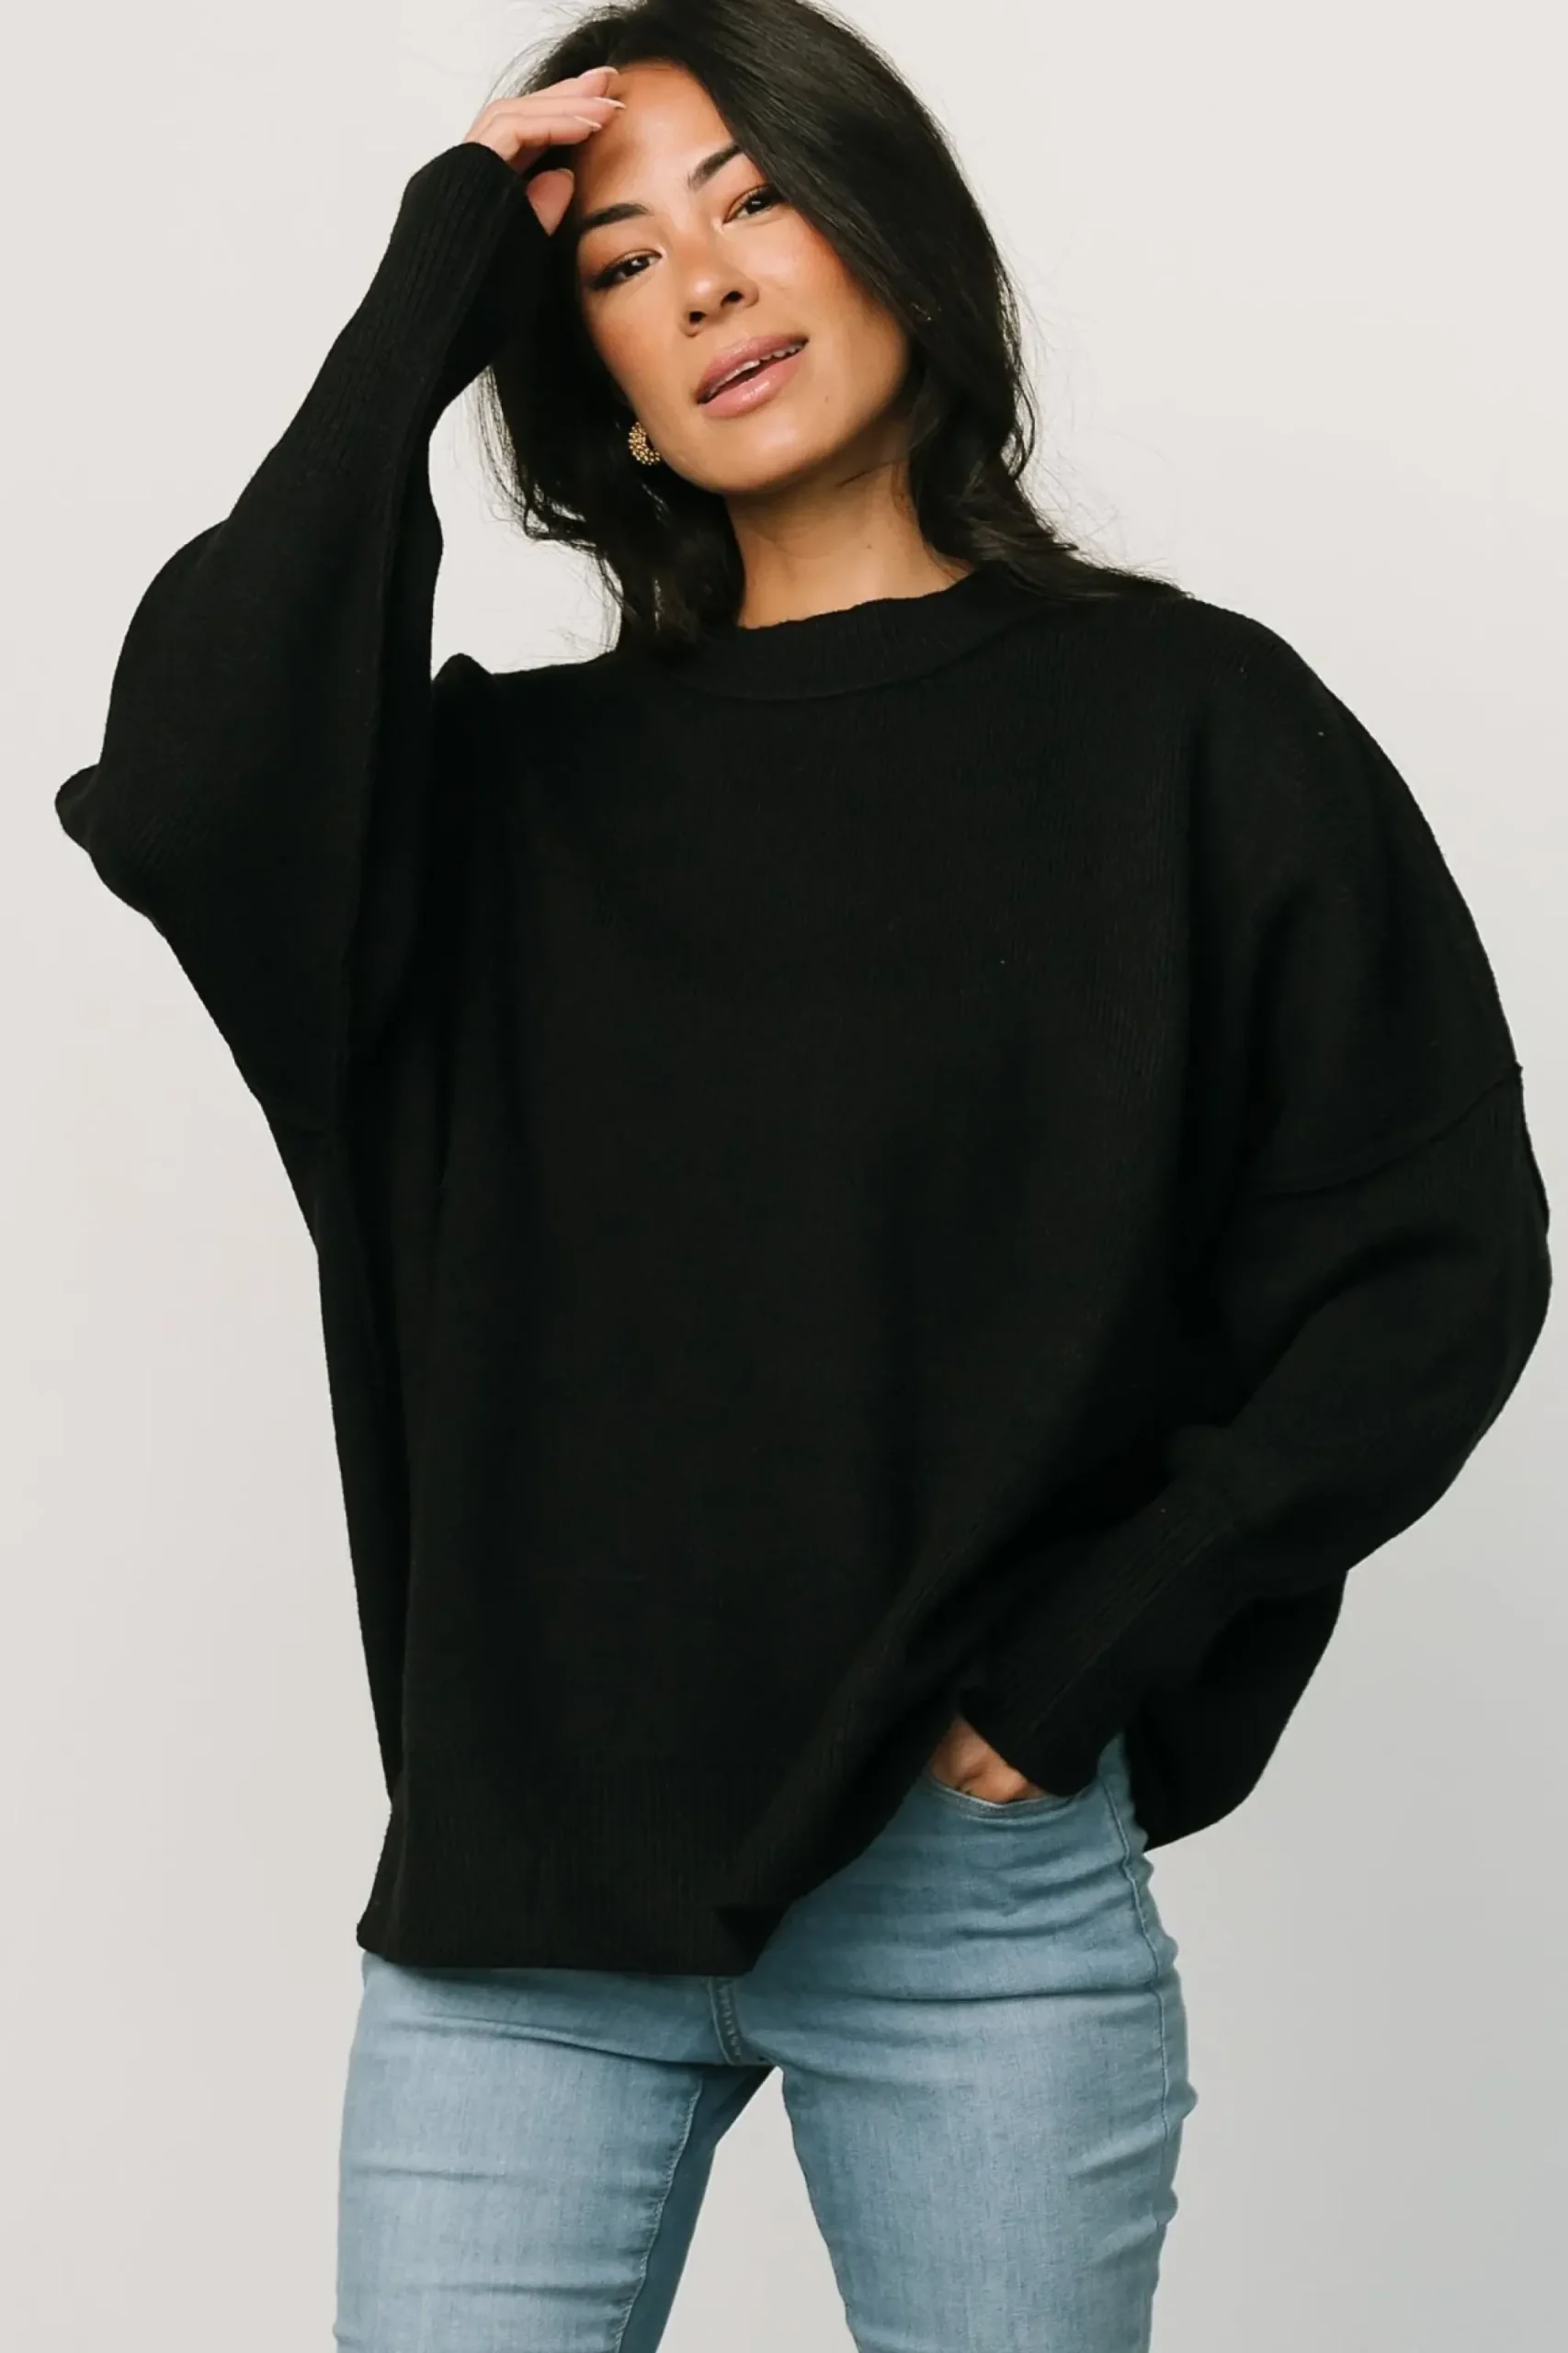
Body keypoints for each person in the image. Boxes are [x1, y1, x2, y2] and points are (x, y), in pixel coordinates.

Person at [54, 2, 1551, 2345]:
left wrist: (1085, 1659)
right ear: (587, 374)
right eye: (619, 262)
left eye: (756, 199)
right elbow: (183, 777)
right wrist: (439, 273)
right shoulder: (491, 809)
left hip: (967, 1899)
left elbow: (1429, 1252)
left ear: (891, 231)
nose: (709, 281)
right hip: (521, 1914)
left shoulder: (1191, 727)